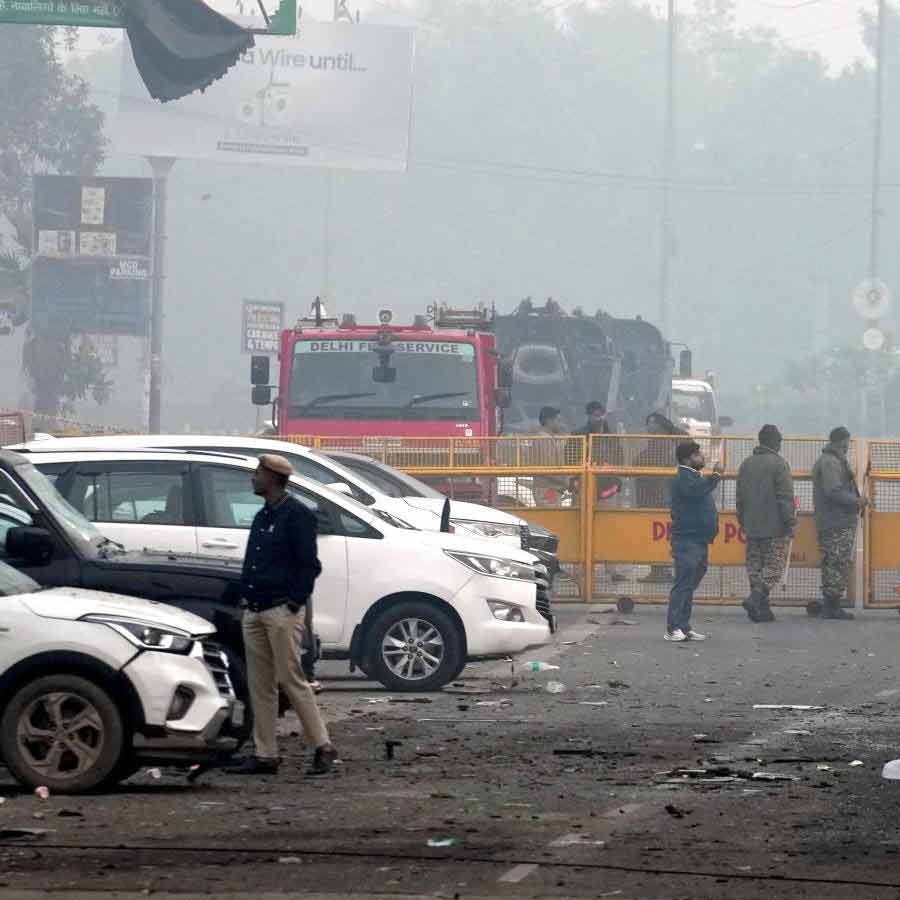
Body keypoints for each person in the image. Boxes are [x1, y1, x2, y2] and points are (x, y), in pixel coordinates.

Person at [226, 454, 338, 776]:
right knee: (260, 686)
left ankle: (323, 746)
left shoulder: (297, 515)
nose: (253, 479)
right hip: (257, 610)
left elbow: (309, 566)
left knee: (292, 680)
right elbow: (254, 561)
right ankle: (265, 754)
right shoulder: (263, 516)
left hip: (280, 611)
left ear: (273, 479)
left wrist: (293, 602)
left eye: (257, 474)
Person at [736, 424, 796, 623]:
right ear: (775, 442)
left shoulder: (746, 464)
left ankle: (761, 608)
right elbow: (785, 498)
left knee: (755, 566)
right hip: (775, 526)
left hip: (752, 525)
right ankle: (756, 598)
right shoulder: (780, 464)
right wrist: (790, 523)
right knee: (774, 566)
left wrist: (743, 521)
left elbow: (740, 498)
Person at [666, 440, 724, 642]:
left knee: (689, 584)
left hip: (699, 539)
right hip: (687, 540)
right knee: (683, 584)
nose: (702, 457)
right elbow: (697, 491)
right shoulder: (684, 478)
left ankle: (684, 625)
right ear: (687, 459)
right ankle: (673, 628)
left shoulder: (693, 477)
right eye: (697, 454)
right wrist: (715, 476)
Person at [812, 427, 864, 621]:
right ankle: (832, 606)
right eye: (847, 442)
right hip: (836, 521)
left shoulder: (831, 461)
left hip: (834, 520)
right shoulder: (831, 463)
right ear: (841, 441)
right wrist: (857, 501)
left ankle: (830, 603)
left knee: (834, 562)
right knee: (836, 562)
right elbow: (834, 492)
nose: (848, 446)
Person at [636, 412, 687, 584]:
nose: (649, 427)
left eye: (653, 423)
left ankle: (665, 570)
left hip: (665, 496)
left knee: (667, 535)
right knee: (656, 535)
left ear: (661, 426)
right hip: (651, 495)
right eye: (648, 423)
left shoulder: (670, 443)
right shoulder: (653, 443)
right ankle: (658, 569)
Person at [531, 406, 570, 506]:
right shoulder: (544, 439)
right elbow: (548, 468)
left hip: (550, 488)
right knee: (551, 518)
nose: (560, 424)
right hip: (547, 489)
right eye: (558, 420)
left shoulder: (548, 437)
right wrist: (565, 482)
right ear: (548, 420)